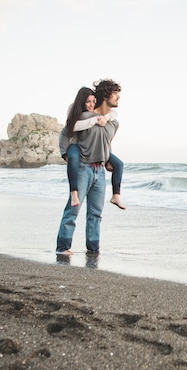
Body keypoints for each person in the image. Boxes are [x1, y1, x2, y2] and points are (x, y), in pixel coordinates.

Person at [55, 79, 122, 255]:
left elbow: (106, 142)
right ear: (106, 96)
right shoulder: (84, 117)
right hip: (83, 168)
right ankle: (63, 248)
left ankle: (93, 249)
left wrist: (107, 159)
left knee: (96, 214)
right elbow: (66, 132)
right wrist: (65, 154)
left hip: (100, 171)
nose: (119, 97)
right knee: (73, 210)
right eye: (115, 94)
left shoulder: (114, 123)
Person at [59, 88, 118, 207]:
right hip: (76, 148)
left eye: (93, 101)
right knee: (73, 158)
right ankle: (74, 193)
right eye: (88, 102)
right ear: (82, 102)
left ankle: (116, 196)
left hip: (98, 166)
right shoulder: (76, 111)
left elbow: (114, 114)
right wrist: (64, 153)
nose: (91, 105)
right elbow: (70, 129)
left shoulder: (103, 115)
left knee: (119, 164)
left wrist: (105, 118)